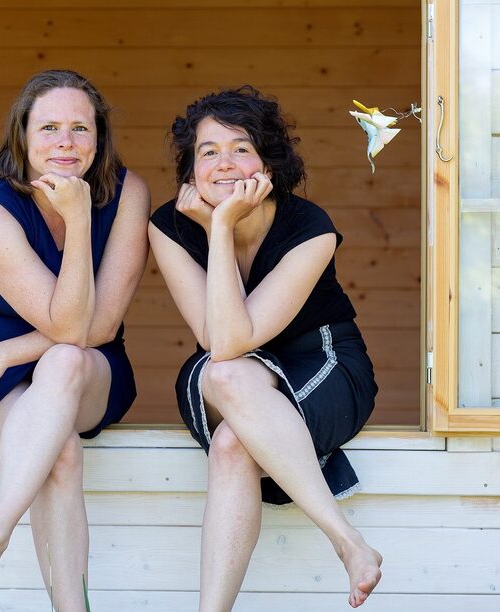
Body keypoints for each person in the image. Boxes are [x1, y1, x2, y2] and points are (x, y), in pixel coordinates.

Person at [148, 86, 383, 610]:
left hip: (321, 358)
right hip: (236, 367)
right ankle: (344, 544)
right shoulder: (167, 225)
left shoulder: (310, 226)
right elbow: (220, 342)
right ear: (191, 171)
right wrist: (218, 230)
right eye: (208, 152)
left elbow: (234, 341)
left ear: (268, 164)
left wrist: (221, 223)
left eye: (241, 148)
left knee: (230, 410)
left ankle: (345, 544)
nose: (224, 163)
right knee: (226, 392)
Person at [0, 69, 150, 609]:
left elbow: (88, 330)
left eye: (81, 128)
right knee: (60, 451)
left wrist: (78, 220)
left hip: (82, 365)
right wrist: (1, 357)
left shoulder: (128, 193)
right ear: (23, 137)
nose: (65, 143)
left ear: (99, 139)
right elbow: (65, 323)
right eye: (49, 127)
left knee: (66, 362)